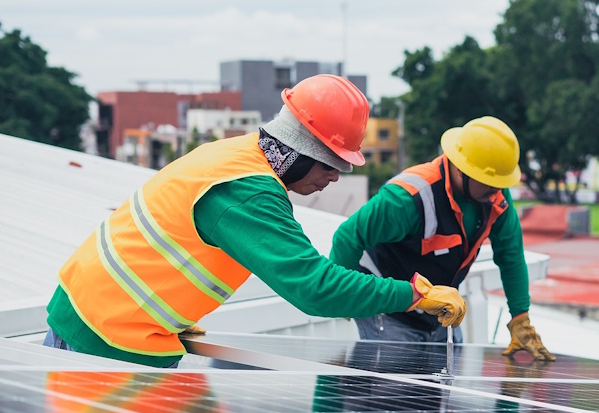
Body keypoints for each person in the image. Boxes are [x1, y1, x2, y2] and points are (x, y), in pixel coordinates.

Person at [42, 74, 465, 368]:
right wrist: (413, 294)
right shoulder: (248, 192)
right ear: (302, 148)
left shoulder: (237, 155)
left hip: (100, 316)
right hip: (105, 337)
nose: (335, 177)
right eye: (332, 163)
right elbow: (314, 289)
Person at [330, 116, 555, 361]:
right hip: (390, 311)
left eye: (500, 183)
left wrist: (520, 317)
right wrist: (345, 297)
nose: (497, 190)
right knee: (396, 389)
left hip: (440, 311)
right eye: (490, 182)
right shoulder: (408, 198)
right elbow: (347, 237)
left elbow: (511, 256)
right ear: (461, 169)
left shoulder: (495, 200)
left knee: (439, 389)